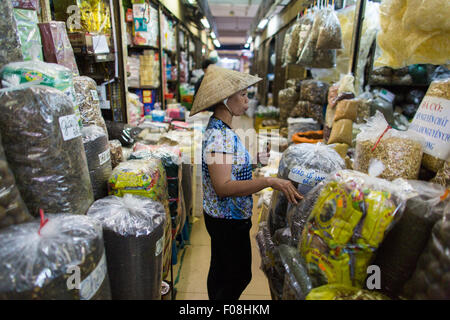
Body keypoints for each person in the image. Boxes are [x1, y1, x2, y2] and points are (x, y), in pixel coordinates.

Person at [189, 65, 303, 300]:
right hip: (226, 220)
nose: (247, 100)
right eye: (243, 94)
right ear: (225, 100)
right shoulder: (219, 136)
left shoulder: (223, 129)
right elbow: (223, 186)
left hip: (225, 218)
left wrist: (255, 162)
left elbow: (228, 170)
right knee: (237, 276)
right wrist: (268, 181)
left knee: (223, 271)